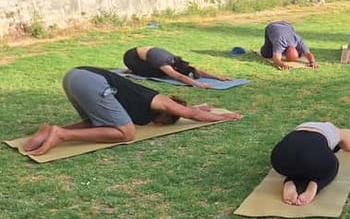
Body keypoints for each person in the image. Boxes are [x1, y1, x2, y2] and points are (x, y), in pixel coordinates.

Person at [22, 67, 242, 156]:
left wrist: (198, 108)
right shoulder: (161, 100)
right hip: (91, 81)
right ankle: (62, 135)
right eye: (168, 120)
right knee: (126, 132)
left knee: (101, 123)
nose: (161, 125)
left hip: (75, 76)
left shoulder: (148, 106)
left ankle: (51, 130)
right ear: (167, 113)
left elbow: (190, 110)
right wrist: (223, 116)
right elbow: (191, 114)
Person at [270, 122, 350, 206]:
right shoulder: (337, 131)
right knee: (332, 166)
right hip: (311, 156)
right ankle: (315, 185)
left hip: (279, 158)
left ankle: (290, 181)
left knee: (301, 165)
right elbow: (349, 147)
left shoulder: (303, 126)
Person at [123, 46, 232, 89]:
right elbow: (179, 77)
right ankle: (134, 69)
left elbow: (192, 69)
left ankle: (137, 68)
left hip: (146, 56)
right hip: (131, 57)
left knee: (163, 72)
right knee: (160, 74)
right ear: (175, 68)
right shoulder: (164, 63)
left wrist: (218, 77)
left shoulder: (176, 61)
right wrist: (199, 84)